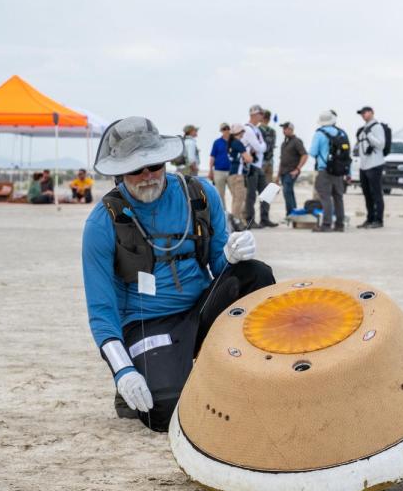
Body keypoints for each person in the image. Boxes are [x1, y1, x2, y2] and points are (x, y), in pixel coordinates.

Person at [82, 116, 274, 432]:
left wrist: (233, 253)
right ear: (119, 171)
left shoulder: (201, 194)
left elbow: (220, 265)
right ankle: (142, 375)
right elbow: (102, 313)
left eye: (154, 165)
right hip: (147, 325)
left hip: (200, 309)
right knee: (165, 413)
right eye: (135, 169)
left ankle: (255, 373)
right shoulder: (102, 224)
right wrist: (123, 371)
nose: (147, 176)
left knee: (254, 274)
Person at [307, 110, 350, 233]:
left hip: (324, 170)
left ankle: (326, 224)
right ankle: (339, 224)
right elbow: (346, 155)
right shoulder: (342, 133)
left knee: (325, 197)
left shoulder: (319, 134)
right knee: (338, 197)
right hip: (339, 171)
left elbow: (313, 152)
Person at [242, 107, 275, 228]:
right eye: (260, 114)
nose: (262, 116)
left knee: (266, 193)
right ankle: (250, 220)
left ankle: (264, 218)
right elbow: (259, 147)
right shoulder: (247, 129)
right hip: (250, 166)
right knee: (251, 195)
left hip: (258, 166)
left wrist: (261, 146)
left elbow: (263, 146)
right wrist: (261, 146)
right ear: (254, 115)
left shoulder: (256, 129)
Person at [354, 106, 386, 229]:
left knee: (376, 193)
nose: (363, 115)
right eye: (361, 113)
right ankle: (370, 218)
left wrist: (370, 136)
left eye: (365, 112)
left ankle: (379, 220)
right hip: (364, 166)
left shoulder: (377, 127)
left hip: (375, 164)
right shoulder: (364, 129)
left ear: (372, 112)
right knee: (367, 193)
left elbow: (381, 145)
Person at [276, 121, 308, 216]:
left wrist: (297, 169)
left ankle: (290, 213)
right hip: (283, 172)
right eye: (283, 129)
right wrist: (277, 176)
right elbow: (282, 161)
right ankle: (293, 213)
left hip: (291, 172)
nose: (284, 131)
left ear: (291, 129)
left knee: (287, 191)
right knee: (288, 192)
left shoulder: (297, 141)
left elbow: (305, 155)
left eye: (285, 129)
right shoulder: (284, 144)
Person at [228, 124, 253, 229]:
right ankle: (235, 221)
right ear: (240, 132)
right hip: (238, 175)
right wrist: (250, 155)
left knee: (235, 199)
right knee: (239, 198)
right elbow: (248, 159)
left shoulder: (230, 143)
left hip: (231, 175)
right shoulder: (238, 143)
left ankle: (234, 221)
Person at [208, 123, 232, 206]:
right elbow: (212, 157)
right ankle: (224, 214)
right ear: (221, 131)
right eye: (224, 129)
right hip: (218, 171)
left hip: (232, 172)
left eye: (227, 128)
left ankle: (235, 216)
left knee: (235, 194)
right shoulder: (217, 142)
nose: (226, 130)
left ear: (230, 129)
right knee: (220, 195)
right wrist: (210, 170)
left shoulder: (234, 141)